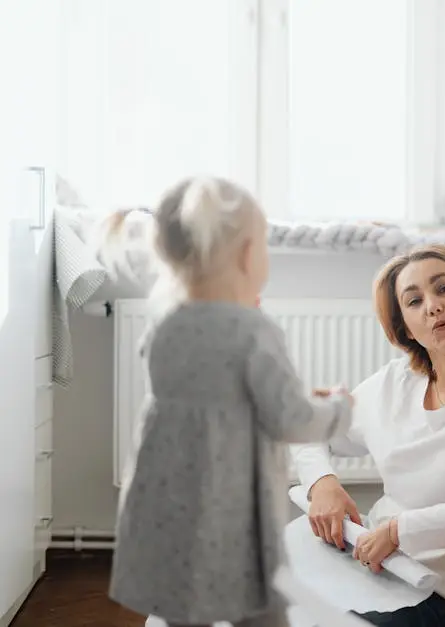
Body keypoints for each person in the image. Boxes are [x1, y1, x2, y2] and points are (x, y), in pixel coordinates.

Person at [108, 176, 354, 627]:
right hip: (230, 499)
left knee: (183, 602)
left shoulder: (165, 325)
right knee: (259, 604)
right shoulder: (252, 330)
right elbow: (290, 419)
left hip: (169, 497)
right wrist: (337, 410)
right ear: (245, 253)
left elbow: (209, 392)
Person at [291, 244, 445, 627]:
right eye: (414, 301)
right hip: (369, 567)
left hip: (442, 599)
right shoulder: (394, 384)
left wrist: (398, 531)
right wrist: (322, 484)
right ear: (405, 326)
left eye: (444, 289)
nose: (432, 306)